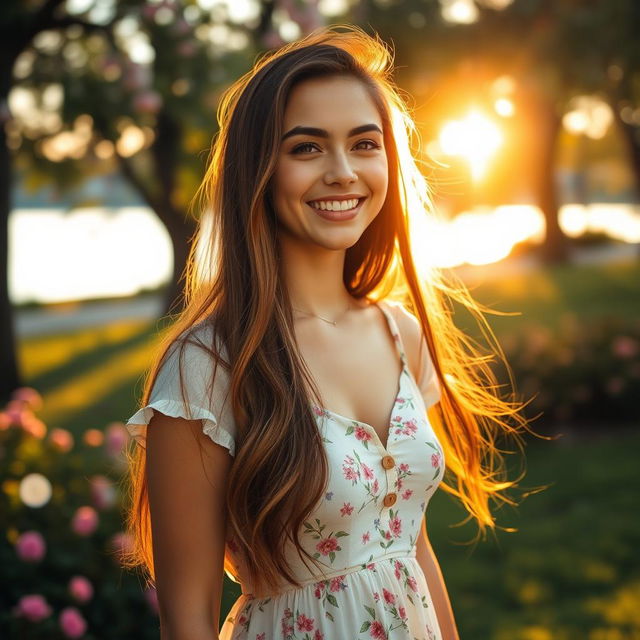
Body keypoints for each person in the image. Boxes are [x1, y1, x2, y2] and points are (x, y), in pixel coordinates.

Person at [122, 25, 535, 640]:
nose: (343, 172)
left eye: (364, 144)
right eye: (307, 148)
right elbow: (188, 616)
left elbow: (412, 548)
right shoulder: (206, 367)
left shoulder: (401, 334)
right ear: (258, 170)